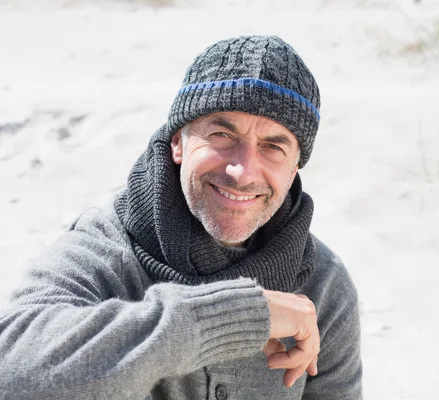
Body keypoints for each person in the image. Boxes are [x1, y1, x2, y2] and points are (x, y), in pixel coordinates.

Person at [0, 35, 362, 399]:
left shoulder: (322, 282)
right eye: (221, 134)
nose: (242, 171)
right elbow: (10, 371)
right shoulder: (104, 250)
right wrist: (234, 318)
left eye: (273, 147)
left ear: (295, 166)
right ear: (178, 141)